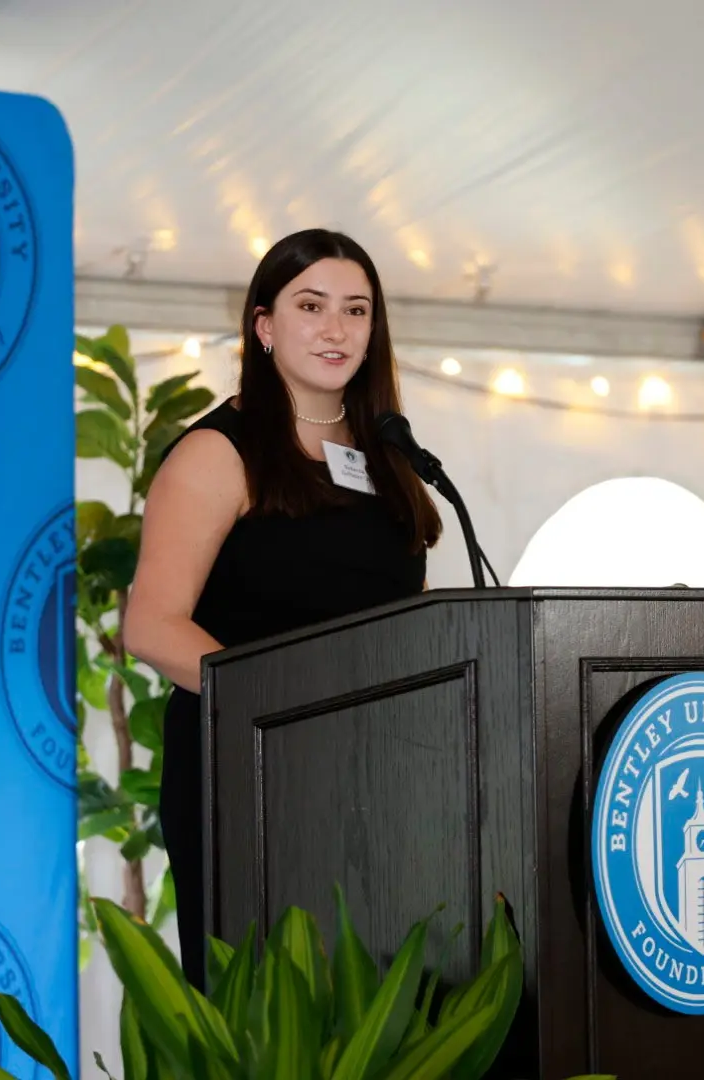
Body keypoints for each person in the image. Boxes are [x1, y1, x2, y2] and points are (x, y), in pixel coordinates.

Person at [122, 228, 443, 989]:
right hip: (251, 769)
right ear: (264, 327)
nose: (336, 329)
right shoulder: (220, 451)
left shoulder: (388, 453)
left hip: (376, 781)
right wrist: (286, 706)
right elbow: (152, 624)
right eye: (312, 305)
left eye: (356, 311)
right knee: (275, 1016)